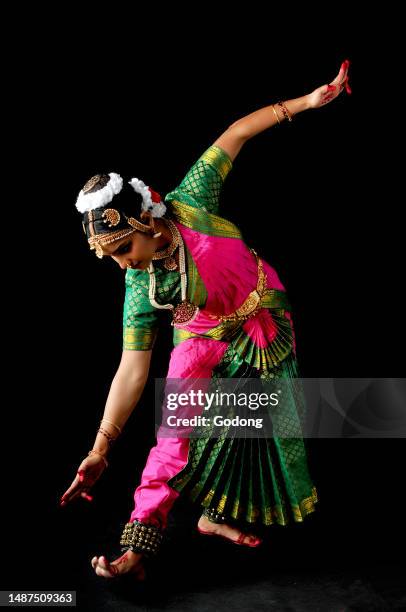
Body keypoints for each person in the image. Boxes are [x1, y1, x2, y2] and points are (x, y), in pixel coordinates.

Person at [60, 60, 352, 580]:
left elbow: (236, 133)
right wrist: (101, 446)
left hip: (266, 312)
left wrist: (307, 104)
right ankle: (137, 547)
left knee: (255, 421)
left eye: (123, 247)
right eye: (110, 256)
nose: (122, 263)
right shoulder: (140, 288)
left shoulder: (191, 200)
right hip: (202, 340)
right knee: (177, 436)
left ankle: (214, 517)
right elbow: (131, 369)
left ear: (146, 220)